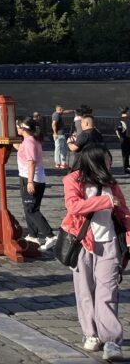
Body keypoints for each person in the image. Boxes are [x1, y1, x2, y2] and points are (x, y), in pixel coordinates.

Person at [61, 143, 130, 361]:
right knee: (85, 291)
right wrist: (106, 200)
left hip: (108, 242)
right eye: (107, 161)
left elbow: (123, 212)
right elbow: (74, 206)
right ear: (95, 161)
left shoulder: (111, 182)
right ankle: (90, 334)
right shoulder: (73, 179)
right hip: (81, 241)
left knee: (107, 291)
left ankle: (111, 341)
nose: (110, 165)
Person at [14, 119, 57, 251]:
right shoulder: (29, 141)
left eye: (18, 126)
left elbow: (31, 162)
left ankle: (50, 236)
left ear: (24, 128)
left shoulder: (30, 142)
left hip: (31, 178)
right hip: (28, 177)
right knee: (29, 208)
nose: (17, 128)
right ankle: (33, 235)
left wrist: (30, 182)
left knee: (31, 209)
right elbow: (20, 149)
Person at [53, 104, 70, 170]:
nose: (63, 110)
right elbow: (53, 124)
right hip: (59, 135)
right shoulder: (56, 115)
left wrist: (73, 111)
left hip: (59, 134)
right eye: (62, 109)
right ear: (59, 109)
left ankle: (58, 163)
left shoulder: (57, 114)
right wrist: (55, 133)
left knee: (58, 148)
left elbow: (66, 112)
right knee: (63, 149)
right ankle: (63, 163)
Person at [116, 107, 130, 176]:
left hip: (124, 140)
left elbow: (117, 130)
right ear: (127, 112)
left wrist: (120, 138)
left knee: (125, 155)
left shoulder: (119, 120)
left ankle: (126, 169)